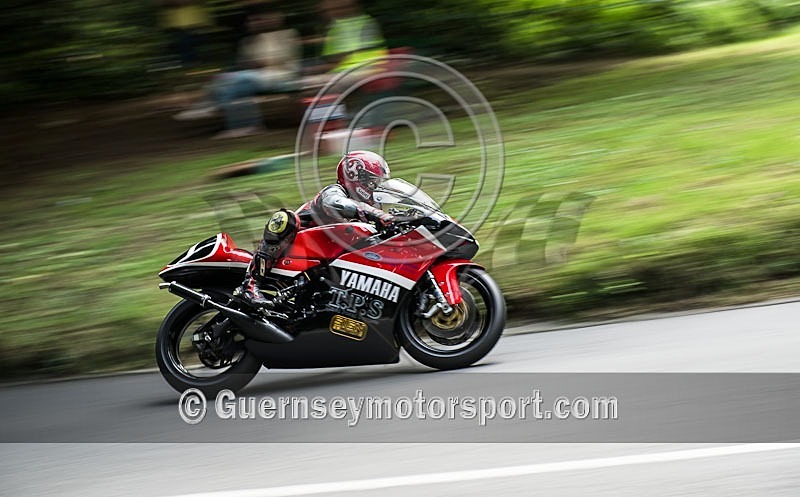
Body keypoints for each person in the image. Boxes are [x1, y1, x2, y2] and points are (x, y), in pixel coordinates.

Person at [235, 150, 396, 307]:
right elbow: (334, 203)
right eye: (372, 182)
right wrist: (376, 214)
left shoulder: (371, 206)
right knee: (285, 219)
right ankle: (250, 285)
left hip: (326, 263)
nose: (375, 187)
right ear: (354, 176)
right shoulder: (335, 192)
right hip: (296, 249)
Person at [175, 11, 301, 139]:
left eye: (259, 20)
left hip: (281, 76)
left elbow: (282, 59)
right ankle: (208, 108)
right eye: (250, 22)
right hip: (258, 75)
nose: (254, 24)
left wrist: (260, 62)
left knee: (240, 80)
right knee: (226, 80)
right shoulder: (250, 41)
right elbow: (245, 63)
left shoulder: (287, 35)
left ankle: (220, 110)